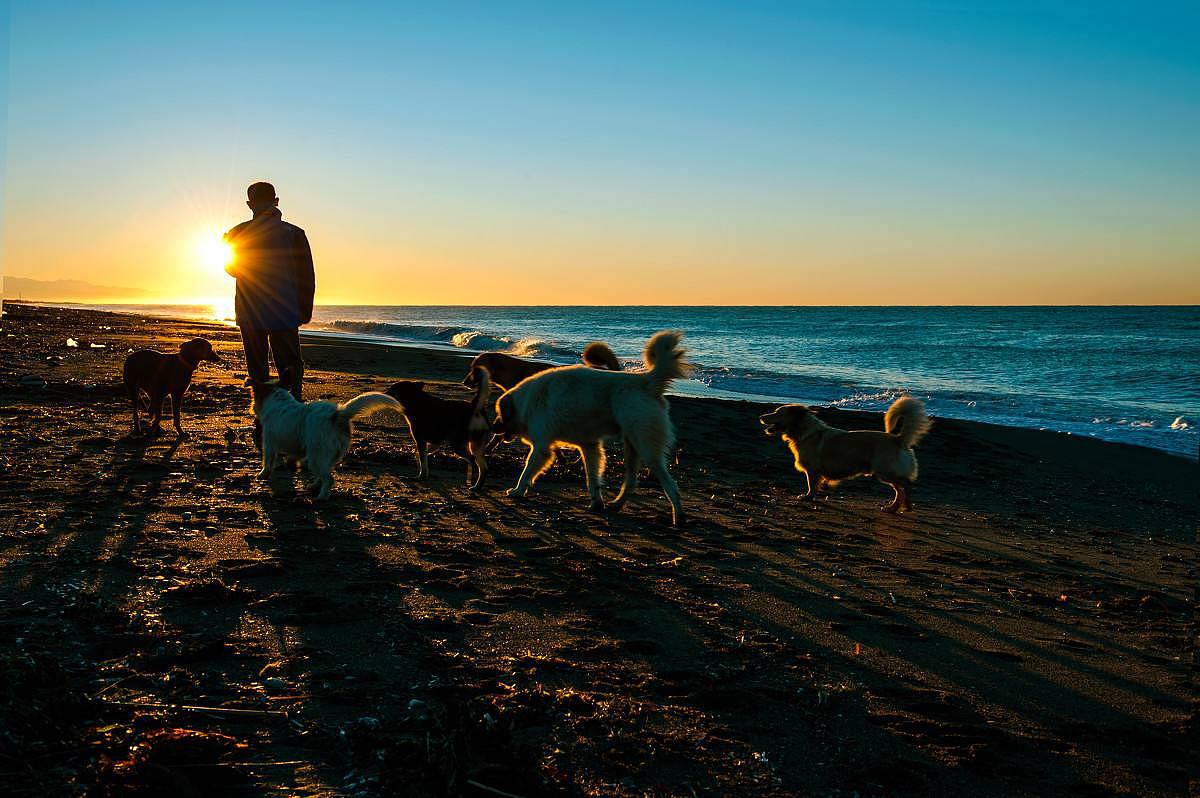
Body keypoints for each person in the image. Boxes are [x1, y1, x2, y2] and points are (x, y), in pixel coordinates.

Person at [224, 181, 315, 401]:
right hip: (284, 309)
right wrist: (305, 309)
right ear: (276, 201)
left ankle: (263, 413)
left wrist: (226, 244)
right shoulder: (294, 233)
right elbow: (307, 276)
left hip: (249, 309)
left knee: (257, 367)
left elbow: (232, 269)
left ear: (249, 204)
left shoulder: (238, 232)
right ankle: (294, 405)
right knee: (290, 364)